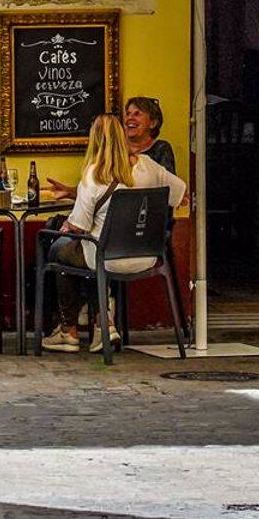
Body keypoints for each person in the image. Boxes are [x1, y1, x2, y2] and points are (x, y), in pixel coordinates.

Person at [41, 112, 188, 352]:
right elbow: (182, 198)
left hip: (105, 259)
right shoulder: (149, 167)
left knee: (60, 250)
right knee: (88, 257)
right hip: (148, 257)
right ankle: (103, 325)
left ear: (94, 141)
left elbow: (79, 225)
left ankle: (69, 331)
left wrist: (68, 225)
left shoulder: (94, 174)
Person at [123, 95, 177, 174]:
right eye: (128, 114)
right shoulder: (115, 148)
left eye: (137, 114)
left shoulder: (161, 149)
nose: (130, 118)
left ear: (153, 123)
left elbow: (168, 183)